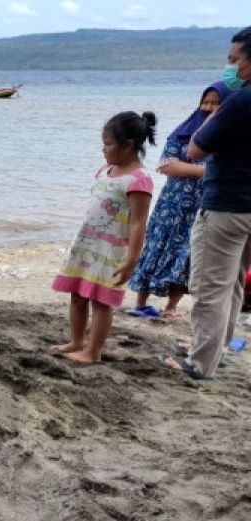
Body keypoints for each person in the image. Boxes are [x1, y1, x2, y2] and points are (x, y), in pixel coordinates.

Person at [161, 26, 251, 380]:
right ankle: (216, 349)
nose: (230, 68)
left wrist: (215, 114)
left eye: (235, 60)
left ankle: (200, 362)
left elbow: (195, 148)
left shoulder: (240, 101)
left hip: (228, 205)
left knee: (211, 286)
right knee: (234, 283)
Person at [51, 112, 156, 364]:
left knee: (101, 302)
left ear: (128, 145)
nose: (103, 149)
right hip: (87, 244)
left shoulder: (139, 180)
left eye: (108, 144)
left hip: (111, 251)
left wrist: (131, 260)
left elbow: (138, 223)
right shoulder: (106, 170)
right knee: (78, 295)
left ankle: (93, 351)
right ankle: (77, 341)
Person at [127, 82, 231, 321]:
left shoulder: (227, 136)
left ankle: (171, 307)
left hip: (204, 204)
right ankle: (140, 302)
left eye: (216, 103)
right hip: (172, 204)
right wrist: (206, 171)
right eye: (205, 102)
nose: (209, 107)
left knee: (187, 255)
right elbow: (166, 165)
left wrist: (193, 168)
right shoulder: (183, 132)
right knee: (156, 245)